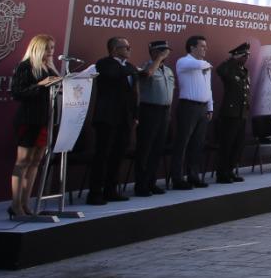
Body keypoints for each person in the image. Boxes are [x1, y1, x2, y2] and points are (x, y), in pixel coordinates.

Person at [8, 34, 60, 217]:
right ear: (37, 48)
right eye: (47, 48)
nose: (51, 52)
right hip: (29, 119)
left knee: (36, 161)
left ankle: (25, 203)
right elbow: (17, 93)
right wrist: (40, 85)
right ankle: (16, 205)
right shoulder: (25, 66)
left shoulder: (50, 68)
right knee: (23, 161)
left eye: (52, 48)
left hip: (45, 119)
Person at [88, 36, 139, 205]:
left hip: (125, 118)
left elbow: (134, 93)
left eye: (129, 47)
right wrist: (133, 71)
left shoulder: (130, 67)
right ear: (114, 50)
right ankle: (95, 193)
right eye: (126, 47)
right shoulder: (104, 63)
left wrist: (135, 115)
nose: (129, 50)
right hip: (107, 117)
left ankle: (111, 190)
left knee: (118, 155)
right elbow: (113, 74)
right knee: (102, 155)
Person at [172, 36, 215, 189]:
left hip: (203, 108)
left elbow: (208, 88)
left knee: (197, 144)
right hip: (188, 107)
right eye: (202, 46)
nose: (205, 49)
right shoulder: (183, 62)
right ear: (192, 47)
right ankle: (177, 179)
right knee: (182, 144)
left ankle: (193, 176)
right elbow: (200, 64)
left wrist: (210, 107)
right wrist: (207, 64)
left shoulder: (204, 65)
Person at [133, 40, 174, 196]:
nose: (166, 54)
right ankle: (141, 185)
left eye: (166, 51)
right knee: (145, 149)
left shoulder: (168, 70)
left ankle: (151, 182)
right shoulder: (146, 67)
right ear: (154, 52)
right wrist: (158, 59)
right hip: (149, 111)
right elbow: (147, 74)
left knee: (157, 149)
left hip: (164, 111)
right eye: (162, 51)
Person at [214, 42, 251, 184]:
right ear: (237, 56)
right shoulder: (229, 69)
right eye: (244, 55)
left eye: (247, 55)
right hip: (230, 113)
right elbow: (220, 70)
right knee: (227, 145)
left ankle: (230, 171)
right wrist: (232, 59)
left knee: (237, 145)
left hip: (242, 113)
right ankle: (222, 174)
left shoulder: (244, 71)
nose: (246, 58)